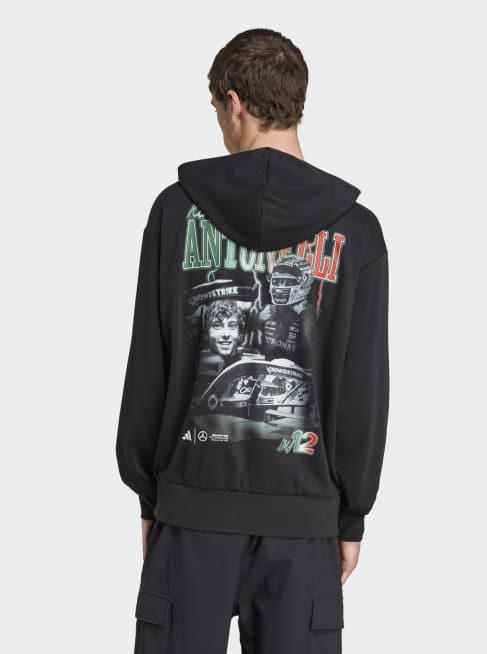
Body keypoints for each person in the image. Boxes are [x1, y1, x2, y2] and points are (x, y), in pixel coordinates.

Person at [116, 27, 389, 654]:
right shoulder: (357, 233)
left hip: (191, 514)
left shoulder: (174, 213)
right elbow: (363, 390)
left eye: (218, 110)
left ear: (234, 103)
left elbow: (148, 364)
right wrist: (351, 513)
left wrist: (152, 498)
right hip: (304, 521)